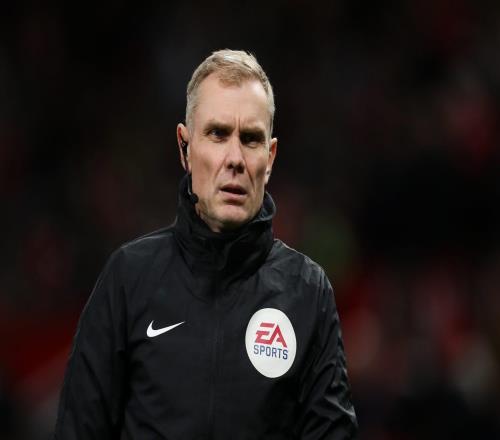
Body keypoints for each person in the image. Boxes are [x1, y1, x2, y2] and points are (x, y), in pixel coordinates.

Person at [53, 49, 358, 439]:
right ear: (185, 147)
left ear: (270, 157)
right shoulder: (129, 279)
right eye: (217, 134)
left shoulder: (307, 293)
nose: (235, 159)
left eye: (251, 139)